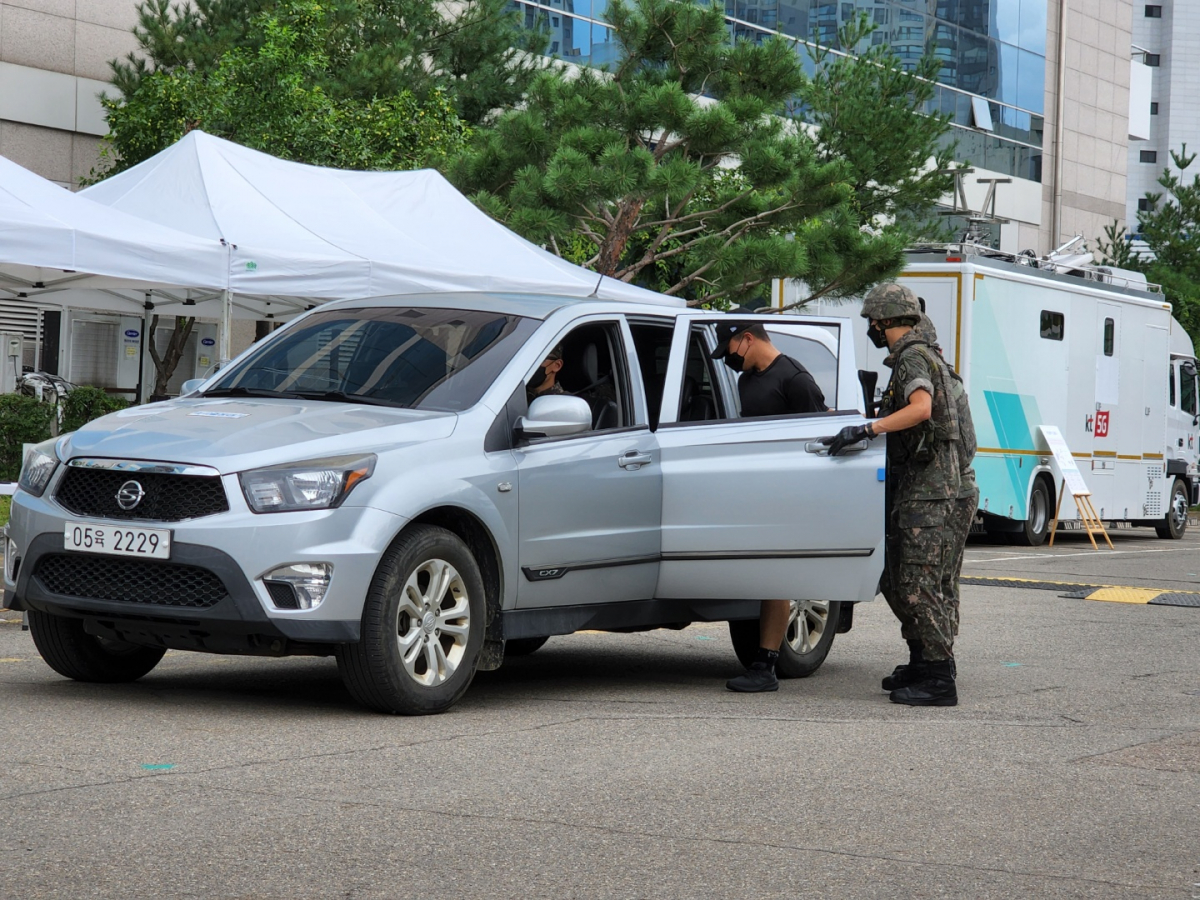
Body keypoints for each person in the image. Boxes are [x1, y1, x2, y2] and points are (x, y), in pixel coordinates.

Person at [825, 283, 977, 707]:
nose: (871, 328)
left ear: (886, 320)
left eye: (873, 321)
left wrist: (869, 428)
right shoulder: (928, 353)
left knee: (917, 583)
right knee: (907, 580)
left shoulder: (912, 357)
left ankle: (939, 678)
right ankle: (925, 660)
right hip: (940, 489)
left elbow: (921, 408)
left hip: (931, 494)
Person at [711, 315, 827, 692]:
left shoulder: (795, 379)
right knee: (764, 574)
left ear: (746, 340)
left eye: (729, 351)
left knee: (776, 577)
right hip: (757, 490)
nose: (728, 360)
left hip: (789, 492)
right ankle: (762, 660)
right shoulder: (747, 380)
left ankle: (766, 666)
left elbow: (817, 440)